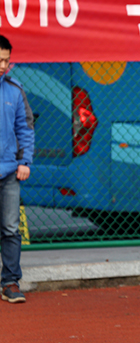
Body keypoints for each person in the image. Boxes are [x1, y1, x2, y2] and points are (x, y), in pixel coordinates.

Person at [0, 35, 34, 304]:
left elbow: (26, 127)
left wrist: (25, 162)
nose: (3, 66)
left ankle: (10, 282)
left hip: (10, 172)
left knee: (11, 228)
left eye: (6, 61)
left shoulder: (14, 89)